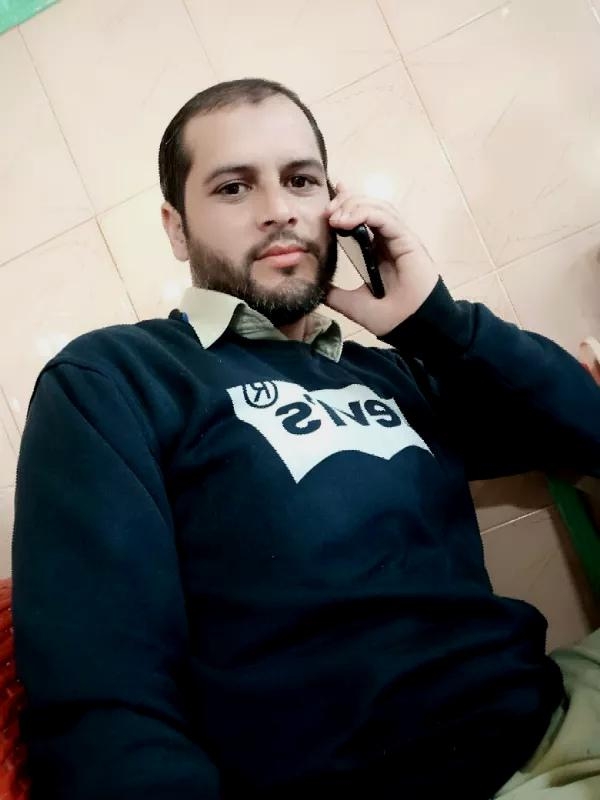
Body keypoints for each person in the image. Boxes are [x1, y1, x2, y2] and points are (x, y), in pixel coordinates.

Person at [11, 78, 600, 800]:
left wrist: (436, 320)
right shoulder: (117, 379)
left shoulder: (393, 371)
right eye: (233, 187)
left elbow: (589, 431)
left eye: (300, 180)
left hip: (551, 712)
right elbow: (102, 699)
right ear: (177, 228)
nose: (280, 210)